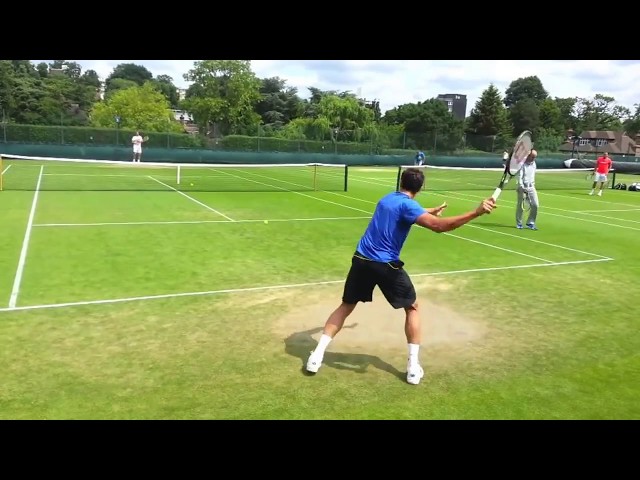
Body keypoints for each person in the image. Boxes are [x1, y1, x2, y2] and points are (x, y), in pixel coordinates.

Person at [305, 168, 497, 385]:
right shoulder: (409, 206)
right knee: (412, 307)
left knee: (346, 306)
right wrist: (476, 212)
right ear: (421, 187)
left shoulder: (387, 198)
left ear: (401, 182)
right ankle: (413, 367)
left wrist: (429, 210)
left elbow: (405, 210)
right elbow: (440, 227)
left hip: (361, 259)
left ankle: (316, 356)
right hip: (385, 265)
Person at [516, 149, 539, 230]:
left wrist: (532, 185)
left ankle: (530, 222)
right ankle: (519, 223)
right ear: (528, 155)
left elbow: (532, 176)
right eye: (532, 157)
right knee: (521, 206)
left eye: (535, 157)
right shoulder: (522, 164)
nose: (533, 159)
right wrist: (521, 187)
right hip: (522, 187)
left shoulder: (534, 164)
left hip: (531, 187)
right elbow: (520, 176)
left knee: (535, 205)